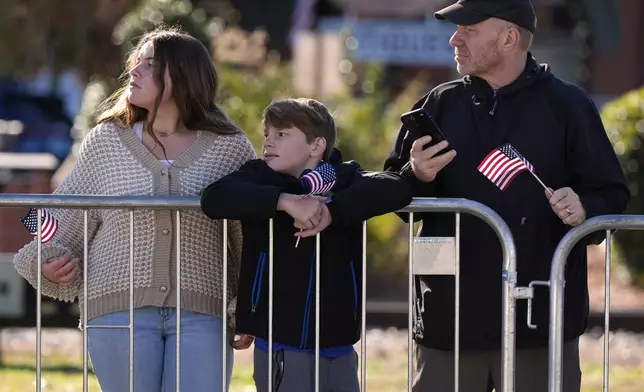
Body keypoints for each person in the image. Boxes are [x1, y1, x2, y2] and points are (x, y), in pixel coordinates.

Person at [383, 1, 630, 391]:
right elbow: (395, 192)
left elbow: (613, 194)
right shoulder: (438, 105)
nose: (454, 38)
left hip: (539, 322)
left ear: (509, 38)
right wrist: (417, 176)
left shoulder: (569, 106)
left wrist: (586, 207)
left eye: (469, 29)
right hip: (450, 322)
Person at [13, 27, 256, 392]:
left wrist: (250, 305)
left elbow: (249, 236)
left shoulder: (229, 147)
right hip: (116, 309)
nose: (135, 72)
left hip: (204, 312)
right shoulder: (106, 142)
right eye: (135, 63)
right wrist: (48, 259)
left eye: (150, 64)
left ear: (185, 75)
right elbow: (62, 217)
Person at [201, 98, 413, 392]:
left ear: (316, 146)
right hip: (279, 338)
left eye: (282, 134)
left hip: (338, 342)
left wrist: (332, 211)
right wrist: (284, 201)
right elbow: (214, 198)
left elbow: (398, 186)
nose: (268, 143)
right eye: (267, 135)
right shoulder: (258, 176)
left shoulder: (346, 178)